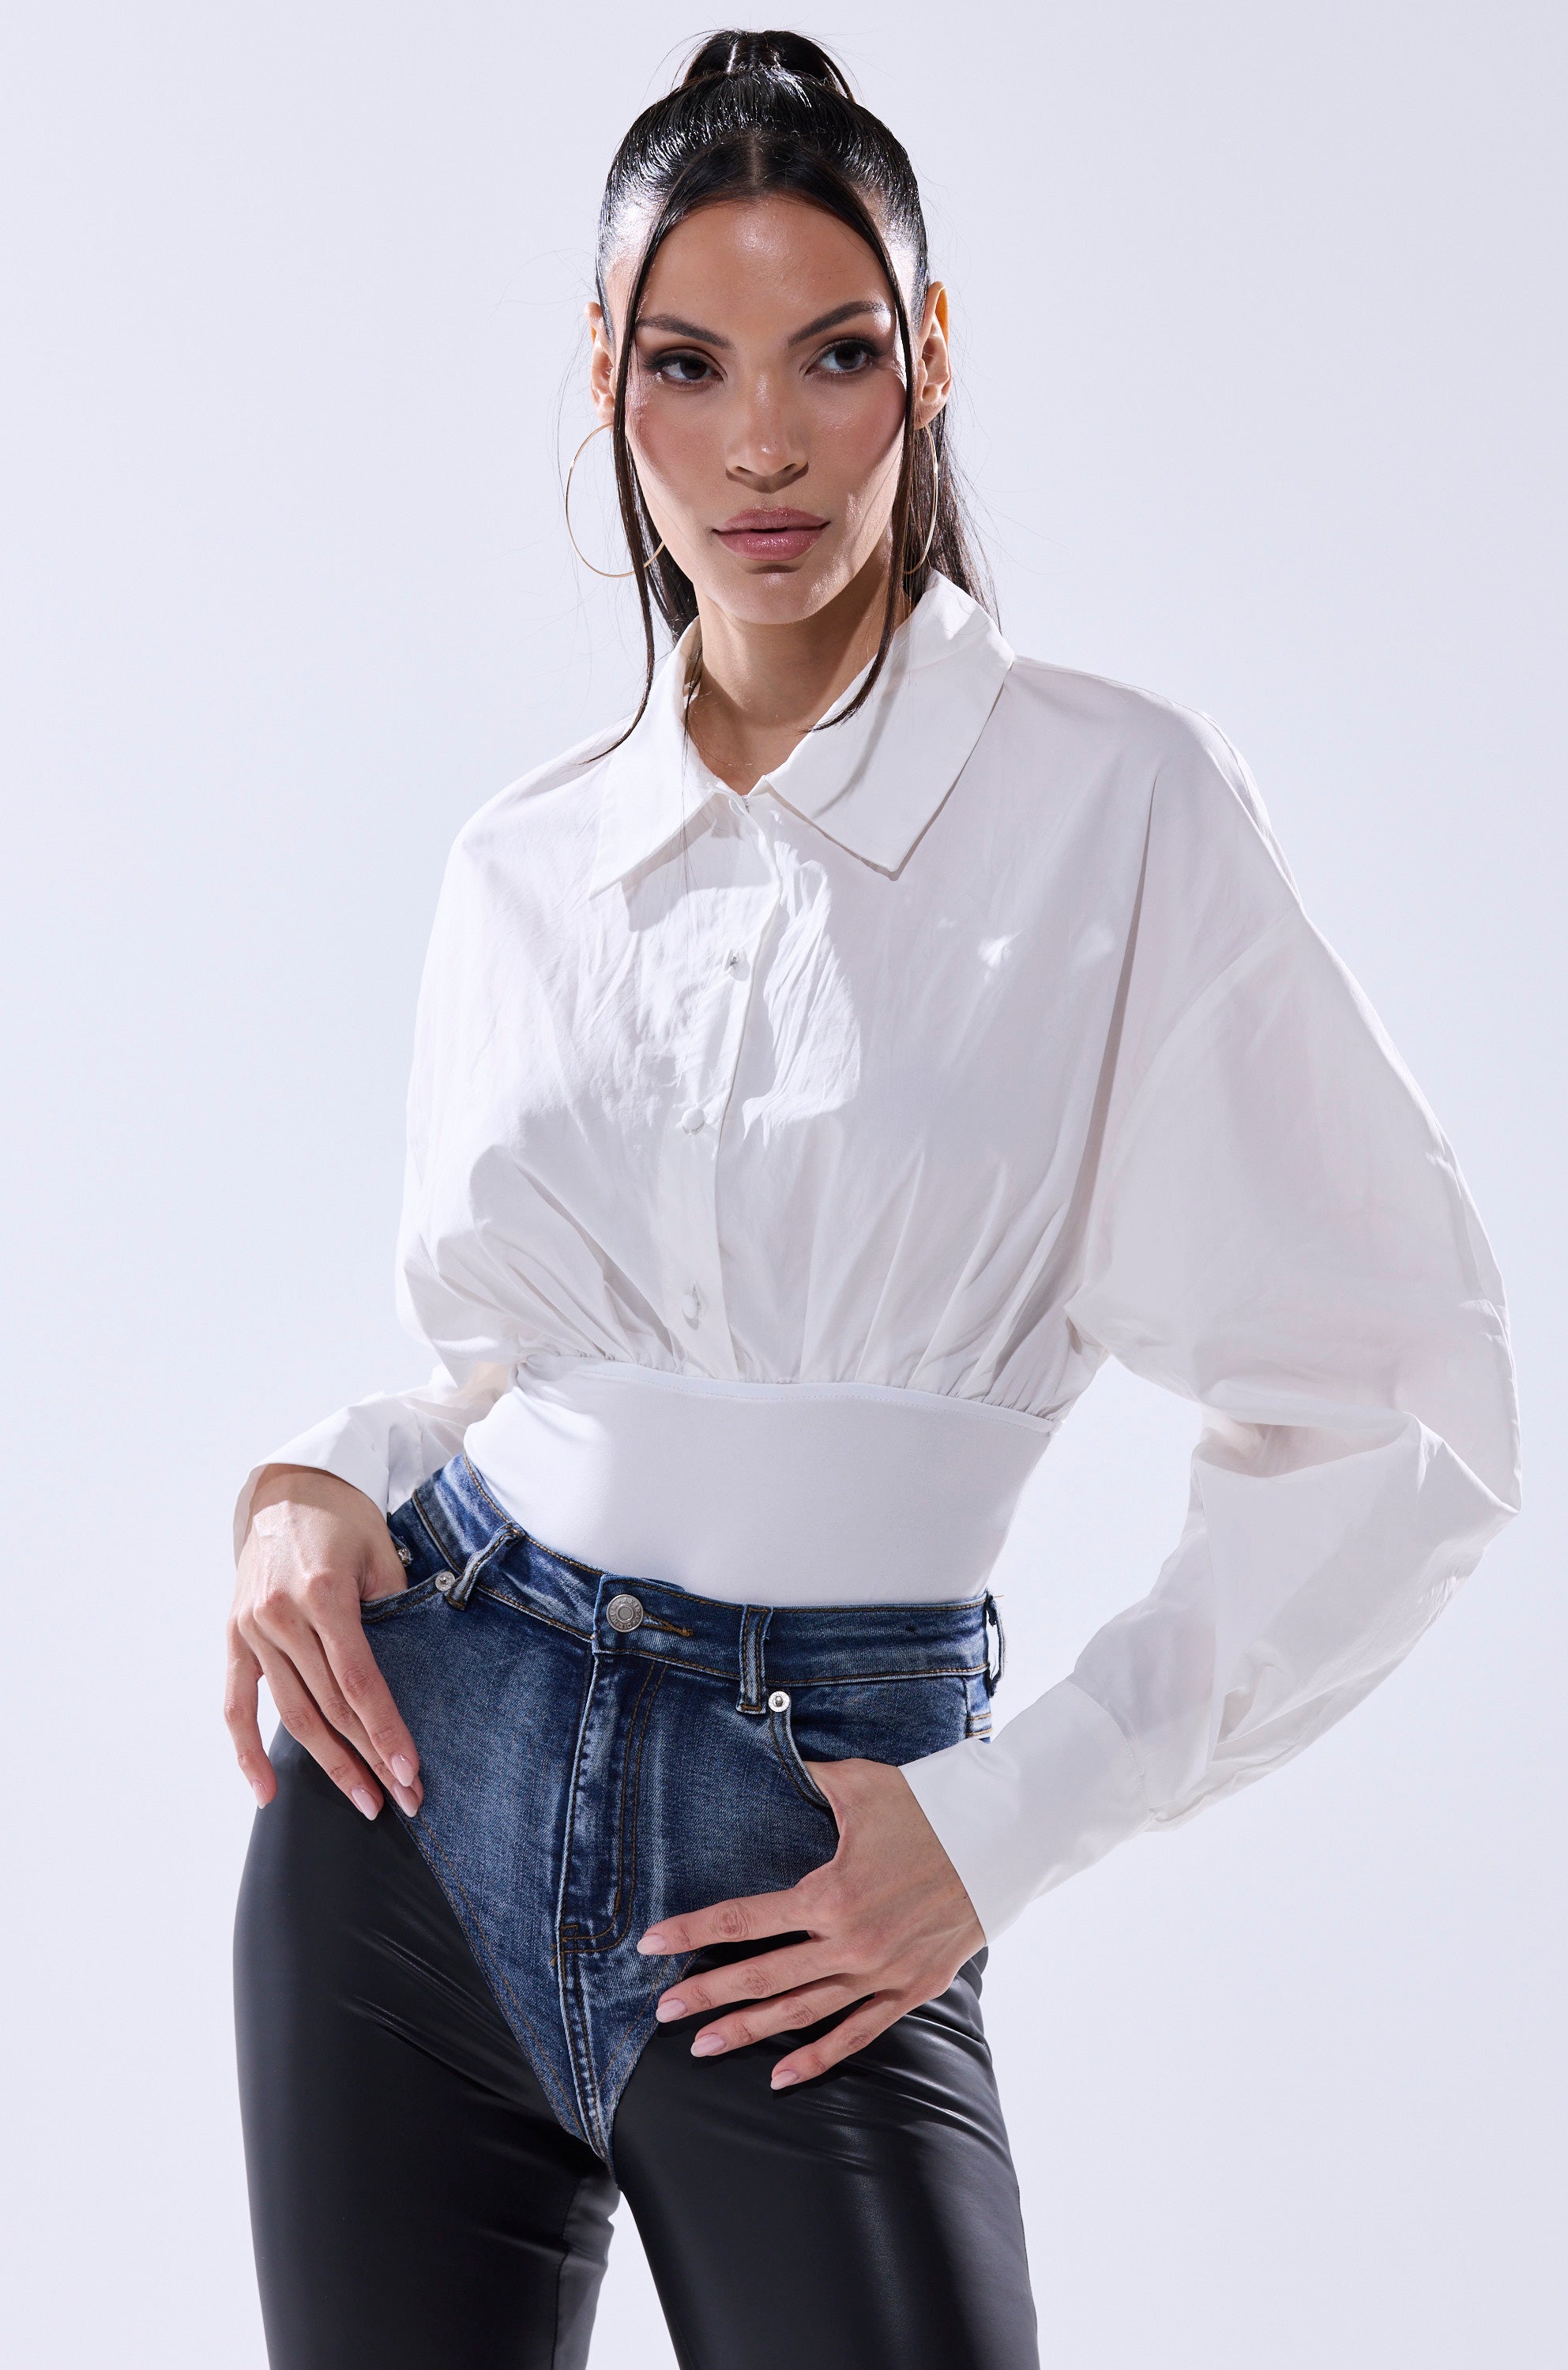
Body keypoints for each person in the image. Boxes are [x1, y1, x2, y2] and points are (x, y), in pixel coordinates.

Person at [227, 30, 1520, 2370]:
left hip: (806, 1847)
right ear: (601, 383)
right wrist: (329, 1477)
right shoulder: (522, 862)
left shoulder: (1111, 810)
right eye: (684, 365)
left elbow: (1402, 1408)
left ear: (928, 357)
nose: (759, 446)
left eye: (830, 357)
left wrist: (1008, 1824)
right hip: (401, 1800)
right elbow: (506, 1358)